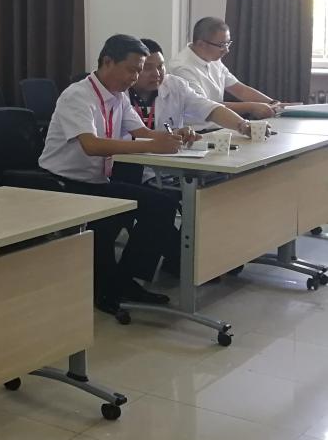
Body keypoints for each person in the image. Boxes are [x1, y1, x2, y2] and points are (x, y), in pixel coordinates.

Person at [39, 34, 189, 314]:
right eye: (132, 70)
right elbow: (92, 145)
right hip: (63, 184)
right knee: (120, 215)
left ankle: (124, 279)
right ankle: (108, 288)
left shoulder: (119, 97)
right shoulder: (77, 95)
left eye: (138, 71)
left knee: (163, 205)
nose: (135, 78)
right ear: (108, 62)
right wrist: (152, 145)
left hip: (97, 182)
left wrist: (175, 135)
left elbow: (141, 132)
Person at [167, 17, 288, 119]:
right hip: (196, 132)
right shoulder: (181, 68)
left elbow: (239, 89)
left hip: (220, 126)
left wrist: (273, 103)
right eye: (221, 45)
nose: (226, 50)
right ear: (201, 44)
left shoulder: (213, 59)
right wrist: (252, 107)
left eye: (227, 43)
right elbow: (205, 106)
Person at [129, 39, 251, 138]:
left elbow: (210, 109)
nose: (157, 74)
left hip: (165, 157)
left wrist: (242, 125)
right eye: (147, 68)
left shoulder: (175, 86)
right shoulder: (122, 93)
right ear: (135, 68)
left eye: (160, 66)